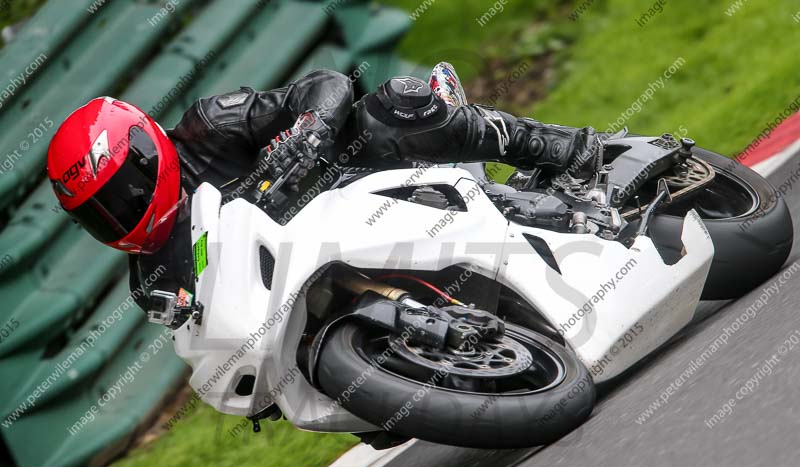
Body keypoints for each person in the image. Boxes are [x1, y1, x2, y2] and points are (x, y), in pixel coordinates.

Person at [46, 64, 600, 327]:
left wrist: (310, 127)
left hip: (363, 188)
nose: (117, 217)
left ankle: (569, 151)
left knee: (393, 107)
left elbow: (325, 84)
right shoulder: (153, 281)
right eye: (98, 215)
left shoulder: (209, 127)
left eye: (119, 196)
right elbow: (218, 347)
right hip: (323, 297)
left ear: (146, 155)